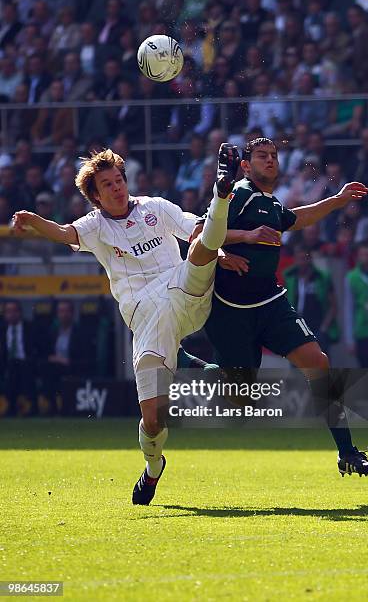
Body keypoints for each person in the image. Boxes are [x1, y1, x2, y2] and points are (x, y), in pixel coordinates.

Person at [12, 144, 241, 504]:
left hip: (184, 289)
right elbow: (64, 233)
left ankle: (221, 192)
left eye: (119, 180)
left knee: (198, 254)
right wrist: (33, 221)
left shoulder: (156, 207)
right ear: (96, 196)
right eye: (108, 185)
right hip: (145, 316)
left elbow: (196, 231)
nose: (117, 188)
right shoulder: (95, 226)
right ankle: (153, 468)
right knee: (153, 420)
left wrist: (219, 252)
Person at [197, 137, 368, 478]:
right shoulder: (238, 193)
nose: (271, 160)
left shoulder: (270, 202)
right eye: (262, 156)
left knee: (318, 362)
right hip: (230, 310)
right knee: (240, 398)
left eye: (275, 156)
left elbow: (297, 218)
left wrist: (337, 201)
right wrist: (223, 253)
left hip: (269, 302)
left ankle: (347, 452)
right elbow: (198, 234)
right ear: (246, 166)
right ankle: (188, 361)